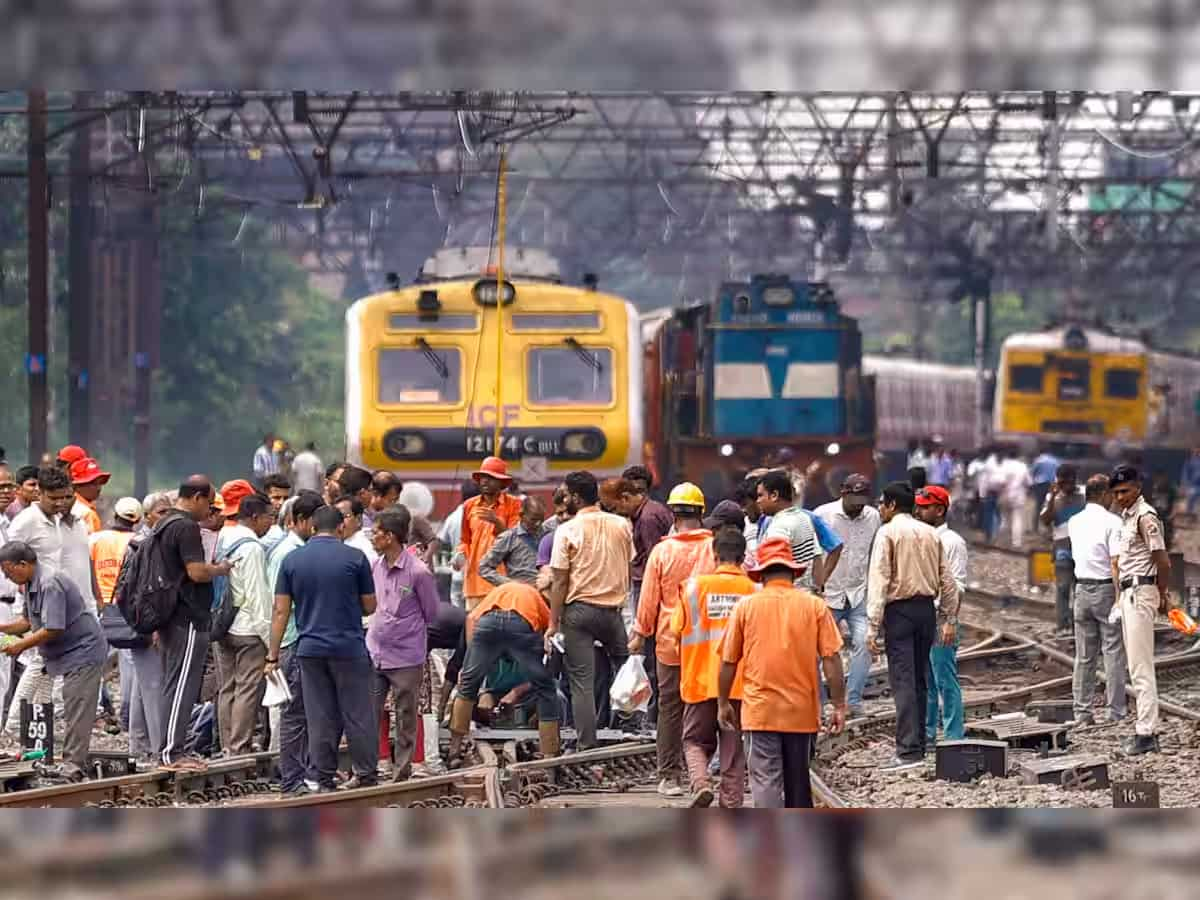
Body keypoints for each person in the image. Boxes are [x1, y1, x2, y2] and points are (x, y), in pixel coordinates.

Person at [718, 536, 847, 808]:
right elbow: (832, 659)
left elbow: (728, 661)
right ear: (792, 571)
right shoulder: (814, 606)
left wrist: (723, 703)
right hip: (801, 713)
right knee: (798, 786)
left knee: (765, 783)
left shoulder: (746, 607)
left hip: (760, 711)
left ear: (762, 573)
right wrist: (838, 705)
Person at [268, 505, 378, 790]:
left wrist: (272, 655)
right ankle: (365, 773)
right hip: (349, 648)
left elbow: (280, 612)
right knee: (358, 713)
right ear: (341, 527)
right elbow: (370, 606)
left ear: (313, 528)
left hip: (310, 651)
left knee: (320, 717)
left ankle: (323, 776)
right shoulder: (355, 558)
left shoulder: (292, 560)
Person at [629, 482, 716, 798]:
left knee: (670, 709)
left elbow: (649, 598)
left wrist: (640, 633)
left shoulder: (662, 551)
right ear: (701, 512)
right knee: (706, 707)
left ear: (673, 514)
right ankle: (704, 772)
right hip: (709, 644)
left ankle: (670, 777)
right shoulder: (715, 547)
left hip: (671, 643)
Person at [866, 481, 959, 770]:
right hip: (925, 612)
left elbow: (880, 578)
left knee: (903, 680)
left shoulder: (887, 532)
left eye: (882, 503)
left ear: (892, 505)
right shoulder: (931, 533)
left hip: (900, 612)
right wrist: (948, 618)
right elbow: (948, 582)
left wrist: (873, 624)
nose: (880, 508)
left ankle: (907, 752)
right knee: (920, 679)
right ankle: (918, 746)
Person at [0, 541, 107, 781]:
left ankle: (73, 765)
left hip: (83, 650)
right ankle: (70, 761)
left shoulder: (50, 582)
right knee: (68, 704)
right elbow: (27, 622)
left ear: (24, 564)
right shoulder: (30, 583)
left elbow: (53, 628)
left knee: (77, 708)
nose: (7, 576)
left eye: (8, 571)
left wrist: (20, 646)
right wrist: (2, 629)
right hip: (63, 653)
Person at [7, 466, 98, 734]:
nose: (60, 502)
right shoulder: (25, 522)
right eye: (54, 497)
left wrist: (98, 599)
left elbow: (84, 562)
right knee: (41, 662)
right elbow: (11, 560)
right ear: (40, 494)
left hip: (79, 604)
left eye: (66, 497)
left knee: (50, 667)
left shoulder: (73, 519)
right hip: (47, 603)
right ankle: (15, 726)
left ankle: (39, 729)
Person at [546, 471, 633, 751]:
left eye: (567, 494)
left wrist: (552, 623)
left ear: (575, 497)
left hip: (579, 613)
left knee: (581, 681)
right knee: (624, 668)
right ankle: (630, 730)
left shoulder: (567, 530)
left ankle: (588, 745)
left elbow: (559, 581)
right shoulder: (622, 525)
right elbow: (629, 563)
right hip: (613, 612)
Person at [671, 527, 754, 808]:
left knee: (694, 741)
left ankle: (701, 782)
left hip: (699, 680)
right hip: (740, 685)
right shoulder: (754, 591)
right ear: (742, 558)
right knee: (733, 751)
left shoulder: (693, 588)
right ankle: (731, 803)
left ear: (714, 555)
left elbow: (675, 630)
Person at [157, 477, 235, 771]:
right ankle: (171, 753)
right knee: (183, 686)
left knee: (173, 685)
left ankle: (167, 748)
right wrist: (221, 568)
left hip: (169, 615)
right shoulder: (186, 527)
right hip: (186, 616)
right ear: (198, 497)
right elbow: (197, 573)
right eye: (211, 503)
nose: (211, 511)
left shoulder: (164, 523)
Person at [449, 577, 561, 764]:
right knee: (546, 688)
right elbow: (547, 634)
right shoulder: (538, 599)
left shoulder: (500, 590)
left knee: (468, 685)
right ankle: (549, 753)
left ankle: (454, 750)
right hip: (519, 624)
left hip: (488, 623)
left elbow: (471, 618)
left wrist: (470, 661)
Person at [367, 508, 440, 782]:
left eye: (376, 533)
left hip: (407, 655)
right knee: (370, 713)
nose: (372, 538)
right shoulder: (376, 566)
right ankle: (368, 769)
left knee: (406, 716)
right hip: (376, 652)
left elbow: (431, 612)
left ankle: (402, 772)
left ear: (390, 537)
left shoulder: (418, 572)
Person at [1109, 464, 1173, 756]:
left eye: (1125, 491)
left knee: (1141, 667)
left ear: (1138, 488)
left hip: (1140, 592)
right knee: (1137, 666)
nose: (1120, 496)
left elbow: (1162, 560)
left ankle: (1147, 733)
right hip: (1129, 594)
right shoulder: (1127, 518)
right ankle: (1145, 729)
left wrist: (1163, 594)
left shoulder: (1145, 517)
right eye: (1116, 492)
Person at [265, 491, 323, 794]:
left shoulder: (295, 550)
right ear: (299, 521)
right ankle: (291, 780)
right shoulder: (289, 553)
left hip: (295, 640)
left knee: (303, 712)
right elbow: (279, 607)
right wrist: (273, 655)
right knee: (295, 714)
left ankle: (300, 774)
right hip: (291, 641)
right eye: (315, 523)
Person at [814, 474, 880, 716]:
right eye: (854, 499)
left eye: (863, 500)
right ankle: (818, 705)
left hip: (858, 592)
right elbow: (813, 551)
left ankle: (852, 701)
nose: (859, 505)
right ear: (843, 492)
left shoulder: (873, 517)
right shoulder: (823, 515)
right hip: (829, 593)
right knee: (816, 652)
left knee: (865, 643)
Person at [214, 493, 274, 757]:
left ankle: (226, 746)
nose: (270, 523)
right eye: (268, 517)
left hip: (221, 624)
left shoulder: (222, 537)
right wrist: (269, 638)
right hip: (248, 629)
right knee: (247, 689)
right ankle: (240, 748)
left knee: (226, 687)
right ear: (255, 517)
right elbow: (258, 596)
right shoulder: (252, 547)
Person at [1067, 474, 1128, 727]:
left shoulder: (1074, 521)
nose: (1115, 499)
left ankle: (1082, 713)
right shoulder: (1113, 522)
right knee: (1113, 652)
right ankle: (1115, 713)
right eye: (1112, 494)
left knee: (1084, 656)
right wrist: (1119, 597)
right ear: (1104, 494)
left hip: (1081, 590)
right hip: (1105, 589)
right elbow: (1115, 562)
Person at [914, 486, 967, 744]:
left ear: (940, 509)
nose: (920, 511)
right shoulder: (920, 536)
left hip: (940, 616)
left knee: (945, 678)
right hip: (922, 615)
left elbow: (957, 586)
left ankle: (954, 735)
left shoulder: (952, 542)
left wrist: (950, 621)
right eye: (919, 506)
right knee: (927, 681)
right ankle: (927, 734)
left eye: (926, 507)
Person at [757, 469, 841, 590]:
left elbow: (775, 569)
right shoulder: (804, 518)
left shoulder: (780, 525)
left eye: (761, 495)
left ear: (774, 495)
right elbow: (816, 558)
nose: (758, 501)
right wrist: (818, 591)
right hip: (806, 597)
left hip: (786, 598)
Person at [456, 457, 522, 610]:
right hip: (474, 583)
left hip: (503, 581)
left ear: (501, 483)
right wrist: (460, 554)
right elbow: (465, 540)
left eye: (491, 478)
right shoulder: (469, 506)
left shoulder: (515, 505)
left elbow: (516, 542)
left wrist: (497, 522)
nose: (485, 481)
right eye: (483, 477)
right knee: (474, 630)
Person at [1039, 464, 1086, 634]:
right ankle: (1062, 624)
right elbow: (1045, 520)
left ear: (1075, 480)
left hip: (1084, 549)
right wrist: (1052, 497)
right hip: (1062, 549)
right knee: (1063, 587)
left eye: (1068, 482)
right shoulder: (1052, 497)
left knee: (1081, 589)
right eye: (1062, 482)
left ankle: (1078, 624)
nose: (1065, 486)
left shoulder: (1085, 495)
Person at [433, 480, 480, 609]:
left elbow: (441, 542)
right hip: (477, 578)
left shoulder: (452, 517)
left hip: (458, 575)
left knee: (459, 617)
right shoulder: (482, 517)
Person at [479, 496, 545, 587]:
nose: (538, 524)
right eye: (533, 519)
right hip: (521, 593)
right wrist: (509, 584)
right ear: (521, 515)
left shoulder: (548, 535)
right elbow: (484, 567)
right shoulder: (509, 537)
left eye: (541, 520)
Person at [89, 498, 142, 607]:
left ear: (115, 515)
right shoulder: (140, 543)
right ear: (138, 520)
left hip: (96, 601)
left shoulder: (94, 539)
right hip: (125, 604)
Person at [998, 447, 1032, 547]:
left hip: (1005, 494)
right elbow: (1029, 482)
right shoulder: (1023, 466)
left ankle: (1003, 541)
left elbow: (1000, 481)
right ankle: (1016, 542)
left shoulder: (1003, 466)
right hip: (1018, 496)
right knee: (1017, 519)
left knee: (1004, 519)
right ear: (1017, 456)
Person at [67, 456, 108, 537]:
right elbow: (91, 546)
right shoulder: (86, 513)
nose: (99, 488)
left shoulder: (69, 505)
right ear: (77, 486)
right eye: (93, 484)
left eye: (100, 483)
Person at [336, 497, 377, 565]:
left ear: (358, 519)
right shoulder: (341, 542)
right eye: (335, 517)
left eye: (343, 517)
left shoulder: (362, 547)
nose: (338, 522)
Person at [1030, 449, 1062, 534]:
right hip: (1052, 485)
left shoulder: (1039, 460)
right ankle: (1050, 529)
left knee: (1038, 506)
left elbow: (1032, 472)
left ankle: (1035, 528)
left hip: (1040, 484)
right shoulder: (1055, 461)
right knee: (1051, 506)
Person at [261, 474, 293, 553]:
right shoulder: (258, 523)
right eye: (277, 498)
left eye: (285, 498)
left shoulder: (291, 522)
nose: (282, 502)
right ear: (266, 496)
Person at [736, 477, 764, 560]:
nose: (743, 510)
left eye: (745, 504)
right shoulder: (744, 525)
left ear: (757, 501)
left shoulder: (774, 524)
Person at [1180, 447, 1200, 516]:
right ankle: (1190, 515)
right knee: (1191, 499)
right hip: (1193, 485)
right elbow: (1185, 474)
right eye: (1196, 451)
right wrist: (1184, 485)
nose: (1197, 452)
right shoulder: (1190, 461)